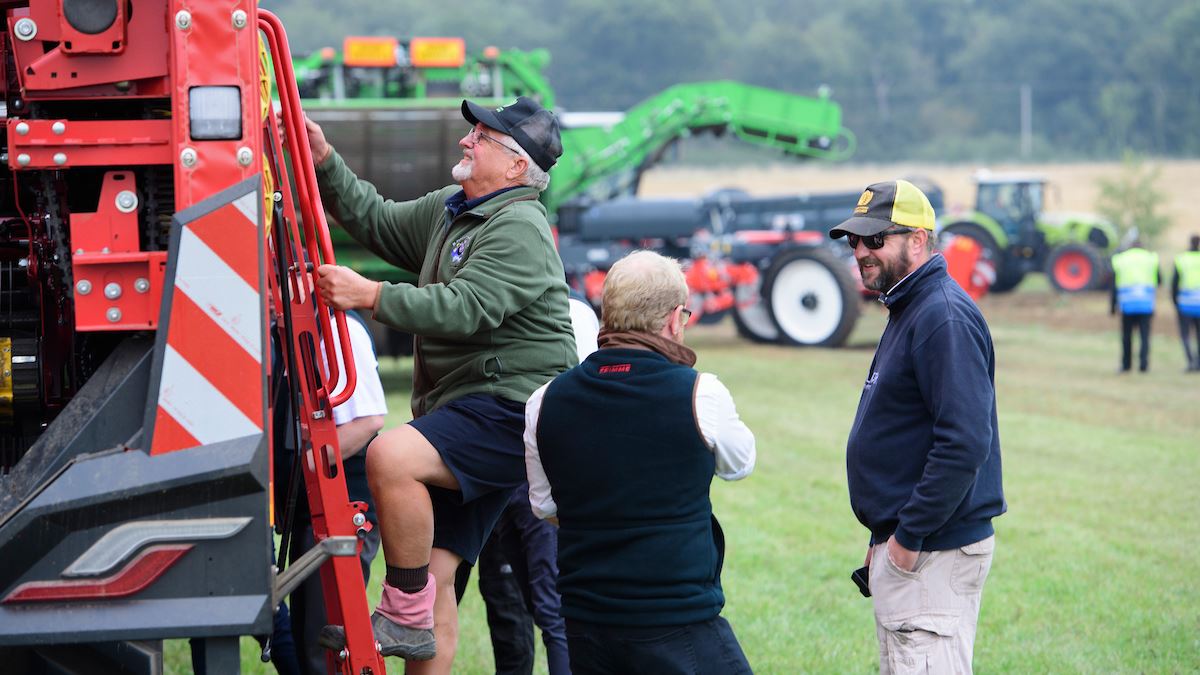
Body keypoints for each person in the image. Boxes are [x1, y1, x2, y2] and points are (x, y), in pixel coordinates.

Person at [304, 96, 577, 671]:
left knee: (391, 455)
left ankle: (400, 611)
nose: (465, 141)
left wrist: (369, 295)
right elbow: (376, 219)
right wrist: (324, 159)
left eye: (482, 135)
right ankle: (411, 608)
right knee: (437, 576)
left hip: (511, 408)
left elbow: (466, 307)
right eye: (472, 131)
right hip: (472, 403)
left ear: (516, 167)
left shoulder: (520, 225)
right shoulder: (453, 210)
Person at [525, 250, 756, 675]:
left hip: (585, 619)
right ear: (673, 319)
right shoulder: (700, 393)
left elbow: (544, 507)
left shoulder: (544, 400)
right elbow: (739, 464)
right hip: (676, 615)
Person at [829, 179, 1005, 674]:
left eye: (875, 239)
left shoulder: (941, 317)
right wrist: (884, 531)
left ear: (918, 240)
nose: (861, 250)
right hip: (912, 545)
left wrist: (906, 540)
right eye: (854, 240)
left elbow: (964, 442)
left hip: (933, 549)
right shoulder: (910, 307)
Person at [278, 308, 387, 674]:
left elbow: (369, 419)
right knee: (307, 636)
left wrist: (303, 469)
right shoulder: (298, 330)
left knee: (323, 646)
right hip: (314, 510)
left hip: (342, 509)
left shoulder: (339, 332)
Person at [1110, 237, 1161, 373]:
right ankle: (1143, 365)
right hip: (1146, 302)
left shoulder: (1121, 259)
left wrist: (1112, 306)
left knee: (1127, 337)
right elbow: (1159, 280)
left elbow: (1114, 285)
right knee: (1145, 336)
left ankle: (1126, 365)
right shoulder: (1151, 258)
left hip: (1127, 303)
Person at [1171, 234, 1200, 372]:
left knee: (1185, 335)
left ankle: (1191, 361)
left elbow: (1174, 285)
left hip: (1186, 304)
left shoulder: (1182, 259)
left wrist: (1175, 302)